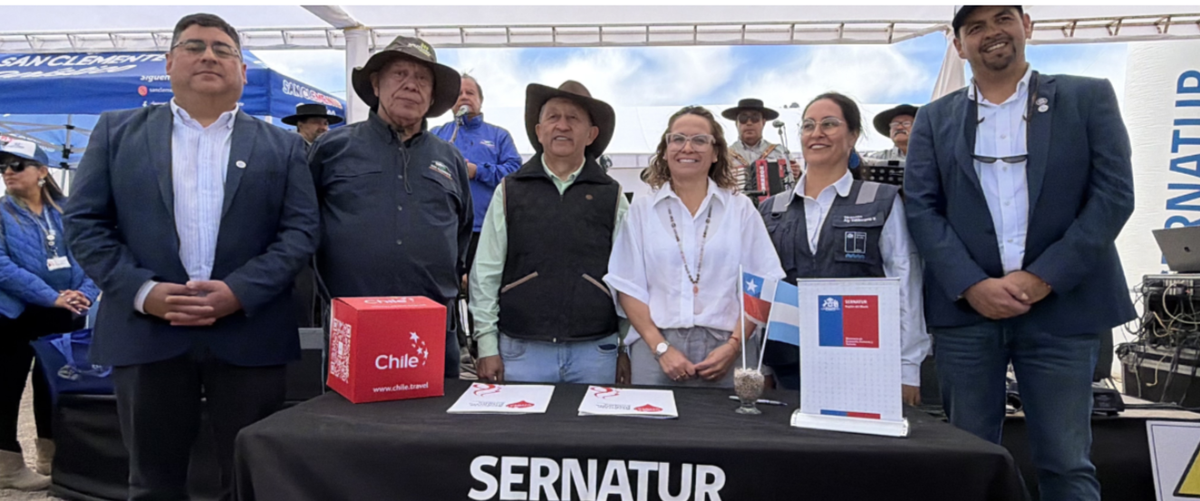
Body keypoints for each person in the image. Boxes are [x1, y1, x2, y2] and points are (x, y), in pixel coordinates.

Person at [63, 13, 319, 499]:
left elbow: (301, 231)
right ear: (169, 63)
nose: (208, 56)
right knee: (152, 482)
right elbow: (84, 223)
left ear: (243, 70)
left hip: (250, 333)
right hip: (146, 333)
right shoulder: (117, 133)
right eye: (194, 46)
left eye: (223, 49)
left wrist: (240, 292)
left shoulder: (282, 147)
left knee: (249, 480)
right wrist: (143, 292)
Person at [904, 6, 1135, 500]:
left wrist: (1044, 277)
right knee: (971, 461)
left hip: (1062, 310)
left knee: (1066, 463)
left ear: (1026, 26)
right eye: (976, 27)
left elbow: (1114, 197)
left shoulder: (1087, 96)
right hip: (968, 317)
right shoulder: (933, 119)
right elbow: (922, 211)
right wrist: (972, 285)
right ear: (958, 44)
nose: (992, 34)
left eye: (1003, 18)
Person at [309, 35, 471, 379]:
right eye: (399, 73)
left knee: (434, 428)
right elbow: (303, 225)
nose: (411, 85)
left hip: (431, 329)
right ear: (376, 84)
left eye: (422, 78)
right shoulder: (331, 149)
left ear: (431, 95)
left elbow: (462, 232)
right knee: (348, 430)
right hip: (353, 324)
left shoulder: (450, 159)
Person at [757, 93, 930, 404]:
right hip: (789, 368)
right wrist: (762, 366)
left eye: (829, 124)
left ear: (853, 136)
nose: (816, 132)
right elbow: (764, 294)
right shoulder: (772, 209)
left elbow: (906, 284)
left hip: (865, 363)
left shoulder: (882, 200)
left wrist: (908, 367)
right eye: (808, 125)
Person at [606, 106, 784, 387]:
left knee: (731, 430)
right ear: (665, 150)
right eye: (677, 139)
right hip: (657, 350)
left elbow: (761, 283)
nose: (687, 147)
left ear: (715, 153)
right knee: (654, 432)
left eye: (700, 140)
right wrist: (661, 348)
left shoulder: (741, 210)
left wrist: (734, 345)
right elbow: (628, 287)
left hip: (729, 347)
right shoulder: (641, 212)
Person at [469, 80, 626, 384]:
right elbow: (485, 271)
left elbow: (628, 278)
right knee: (523, 433)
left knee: (593, 433)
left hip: (596, 351)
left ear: (591, 134)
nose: (562, 126)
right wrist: (486, 344)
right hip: (521, 350)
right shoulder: (510, 190)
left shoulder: (613, 195)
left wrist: (626, 348)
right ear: (539, 131)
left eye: (573, 118)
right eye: (553, 117)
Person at [0, 139, 98, 491]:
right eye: (4, 167)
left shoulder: (69, 211)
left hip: (65, 313)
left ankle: (53, 458)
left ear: (42, 171)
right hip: (14, 314)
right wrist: (50, 296)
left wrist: (83, 295)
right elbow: (1, 266)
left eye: (17, 165)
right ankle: (7, 466)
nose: (8, 172)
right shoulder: (1, 212)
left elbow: (93, 253)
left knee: (55, 385)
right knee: (7, 386)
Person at [431, 74, 523, 270]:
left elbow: (515, 173)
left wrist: (478, 171)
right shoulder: (437, 135)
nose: (464, 97)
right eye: (459, 93)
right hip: (444, 229)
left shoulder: (498, 136)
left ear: (480, 100)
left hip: (485, 230)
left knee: (481, 290)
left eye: (470, 93)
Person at [723, 98, 798, 203]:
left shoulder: (780, 152)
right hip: (735, 212)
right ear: (737, 123)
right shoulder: (724, 156)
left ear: (763, 122)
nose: (749, 123)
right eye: (743, 118)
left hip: (773, 213)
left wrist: (797, 174)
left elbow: (796, 187)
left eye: (755, 118)